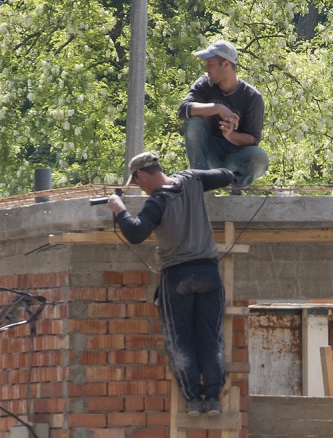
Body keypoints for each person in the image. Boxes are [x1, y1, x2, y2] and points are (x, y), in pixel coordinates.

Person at [108, 152, 234, 414]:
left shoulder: (157, 201)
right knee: (210, 338)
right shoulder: (190, 179)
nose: (140, 188)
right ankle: (213, 399)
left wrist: (118, 208)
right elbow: (226, 175)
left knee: (181, 342)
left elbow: (135, 233)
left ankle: (192, 400)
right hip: (209, 272)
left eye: (137, 182)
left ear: (142, 175)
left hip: (177, 277)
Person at [177, 40, 269, 189]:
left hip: (235, 155)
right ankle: (201, 183)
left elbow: (253, 139)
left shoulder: (252, 97)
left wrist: (230, 135)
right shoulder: (205, 84)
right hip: (209, 151)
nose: (206, 69)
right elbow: (183, 110)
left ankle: (237, 189)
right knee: (193, 123)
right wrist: (218, 108)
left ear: (226, 64)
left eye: (210, 64)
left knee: (260, 157)